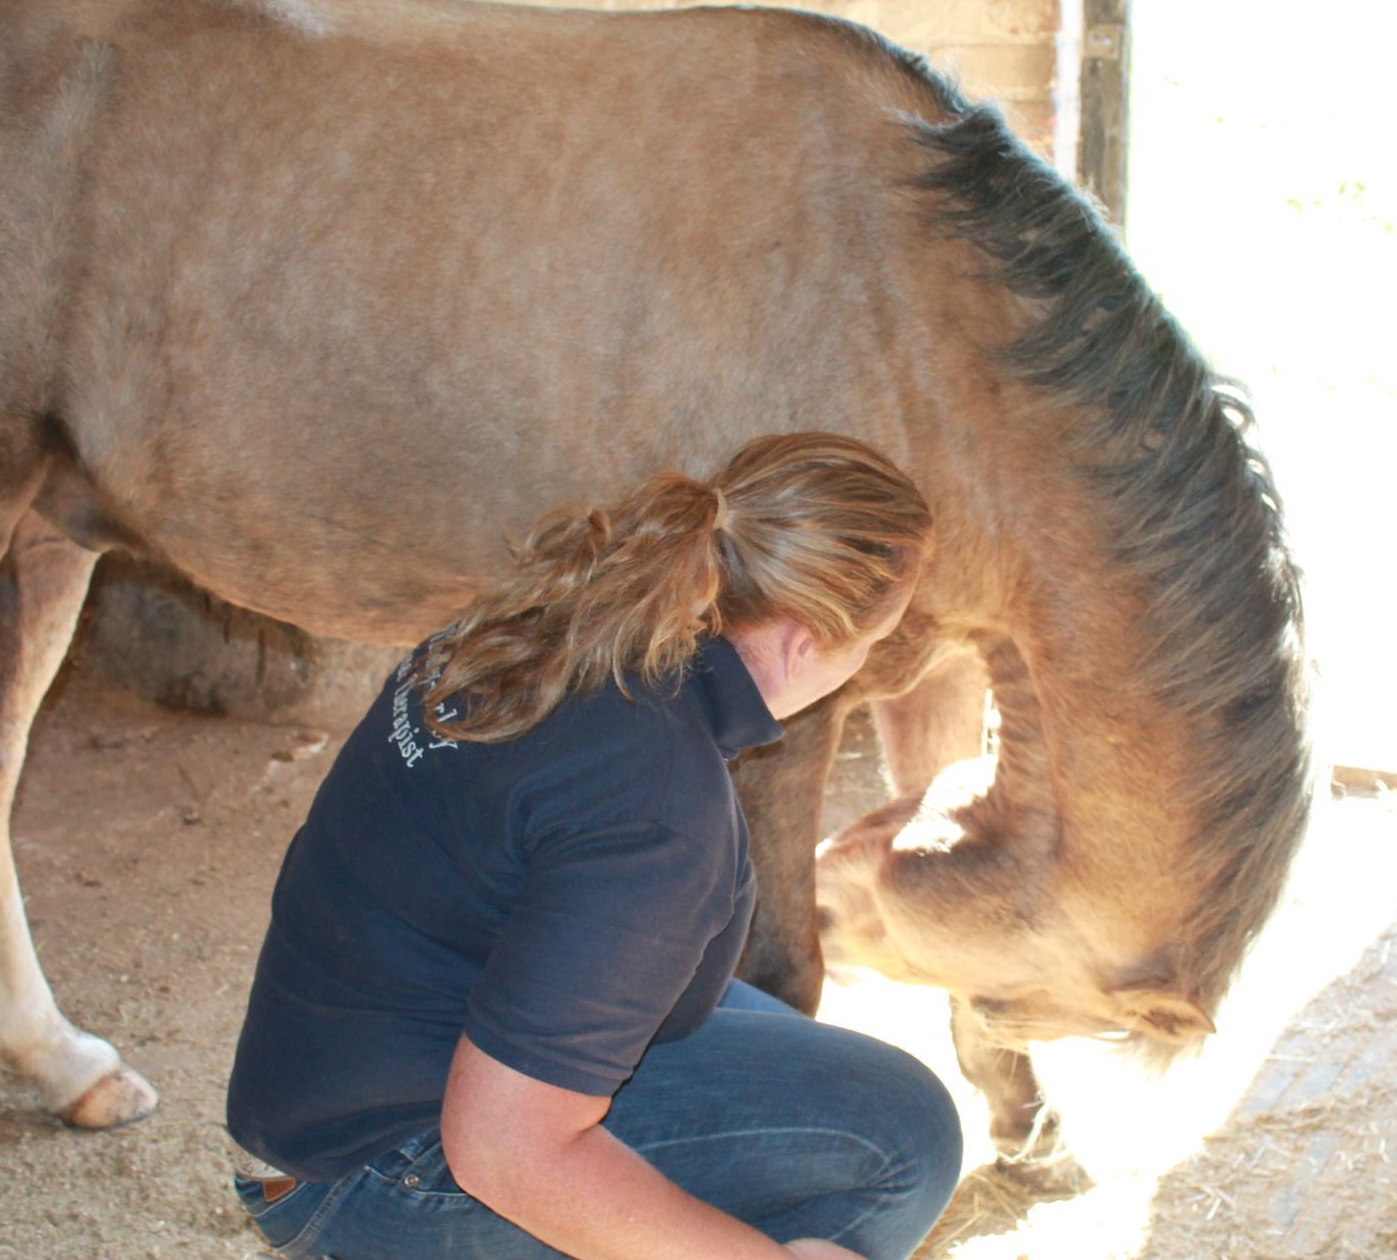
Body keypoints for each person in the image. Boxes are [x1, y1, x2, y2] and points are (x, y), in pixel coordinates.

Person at [226, 432, 963, 1260]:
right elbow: (505, 1152)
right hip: (371, 1168)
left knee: (858, 1084)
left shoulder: (548, 623)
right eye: (874, 640)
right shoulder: (658, 807)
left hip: (313, 1083)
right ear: (803, 641)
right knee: (903, 1140)